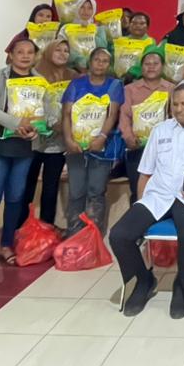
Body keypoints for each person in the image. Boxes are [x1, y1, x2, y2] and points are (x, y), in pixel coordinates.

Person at [109, 82, 184, 318]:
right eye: (175, 104)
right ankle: (143, 280)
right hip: (157, 196)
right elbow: (145, 172)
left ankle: (181, 285)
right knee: (119, 235)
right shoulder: (160, 130)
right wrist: (140, 204)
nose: (179, 109)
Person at [0, 37, 39, 270]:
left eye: (30, 52)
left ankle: (6, 245)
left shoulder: (39, 81)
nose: (25, 56)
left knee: (15, 198)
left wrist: (36, 131)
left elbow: (44, 115)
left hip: (23, 148)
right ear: (11, 55)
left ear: (35, 56)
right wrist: (16, 123)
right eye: (20, 52)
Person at [61, 47, 125, 235]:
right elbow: (66, 114)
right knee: (76, 191)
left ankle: (93, 236)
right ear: (90, 62)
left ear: (109, 65)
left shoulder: (114, 85)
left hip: (101, 148)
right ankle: (74, 234)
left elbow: (112, 115)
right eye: (97, 60)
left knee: (96, 191)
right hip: (75, 147)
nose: (100, 64)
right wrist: (68, 140)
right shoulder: (76, 84)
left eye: (105, 61)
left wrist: (102, 137)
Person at [20, 35, 74, 229]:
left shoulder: (73, 76)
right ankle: (21, 228)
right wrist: (47, 123)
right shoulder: (33, 75)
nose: (62, 54)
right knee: (27, 187)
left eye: (66, 51)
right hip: (33, 140)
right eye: (58, 49)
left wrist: (65, 125)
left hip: (58, 142)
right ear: (49, 51)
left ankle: (47, 230)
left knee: (51, 189)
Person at [118, 47, 174, 203]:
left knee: (163, 192)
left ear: (162, 66)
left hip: (164, 150)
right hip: (137, 148)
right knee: (138, 191)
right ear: (141, 67)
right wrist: (129, 137)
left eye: (155, 63)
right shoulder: (129, 90)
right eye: (147, 64)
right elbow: (124, 116)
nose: (151, 67)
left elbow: (175, 117)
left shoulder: (171, 89)